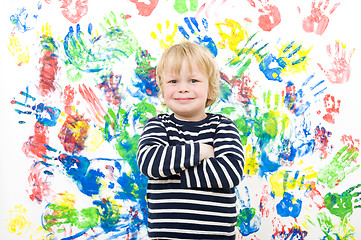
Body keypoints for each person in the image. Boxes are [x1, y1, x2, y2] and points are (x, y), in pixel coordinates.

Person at [137, 41, 244, 239]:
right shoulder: (158, 125)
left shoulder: (223, 126)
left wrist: (172, 172)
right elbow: (149, 162)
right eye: (173, 82)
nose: (183, 88)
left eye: (193, 80)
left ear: (210, 89)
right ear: (162, 88)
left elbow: (230, 173)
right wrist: (201, 151)